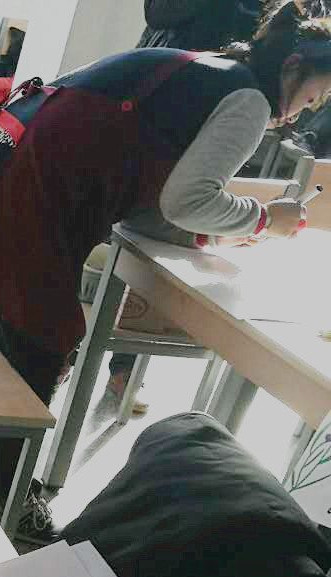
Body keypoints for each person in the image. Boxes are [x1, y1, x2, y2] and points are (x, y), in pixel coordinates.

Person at [0, 0, 331, 542]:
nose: (301, 115)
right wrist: (265, 218)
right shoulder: (249, 101)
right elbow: (185, 202)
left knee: (21, 341)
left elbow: (156, 197)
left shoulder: (216, 70)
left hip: (2, 156)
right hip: (29, 186)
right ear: (292, 67)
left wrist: (210, 229)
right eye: (312, 97)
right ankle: (8, 495)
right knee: (43, 345)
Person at [103, 0, 268, 411]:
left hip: (208, 87)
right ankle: (88, 356)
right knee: (136, 230)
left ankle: (124, 366)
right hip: (180, 87)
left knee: (167, 234)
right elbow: (159, 11)